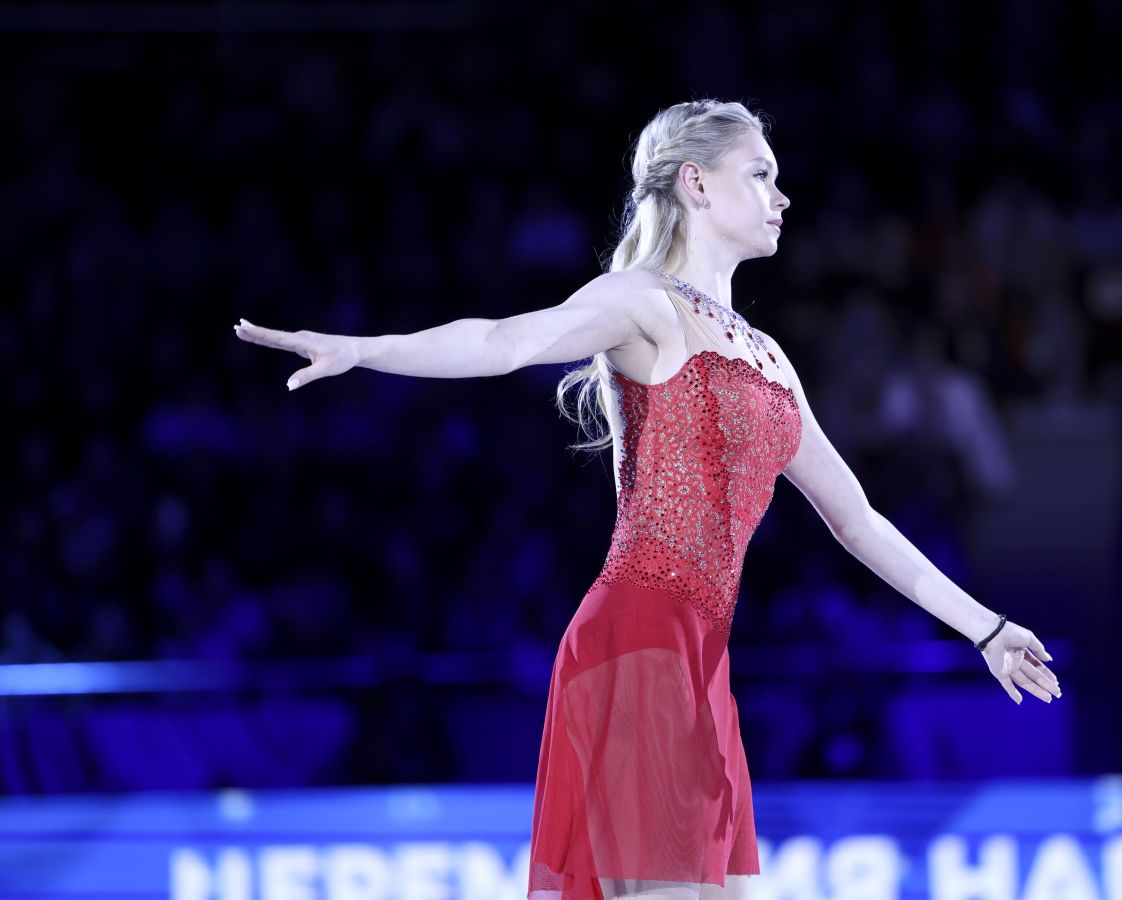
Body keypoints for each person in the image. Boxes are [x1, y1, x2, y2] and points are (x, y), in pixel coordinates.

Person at [233, 99, 1061, 900]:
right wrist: (362, 348)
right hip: (636, 642)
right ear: (695, 183)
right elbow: (502, 342)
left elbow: (858, 520)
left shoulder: (770, 358)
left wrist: (984, 628)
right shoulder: (642, 302)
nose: (781, 197)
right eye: (759, 174)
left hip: (704, 665)